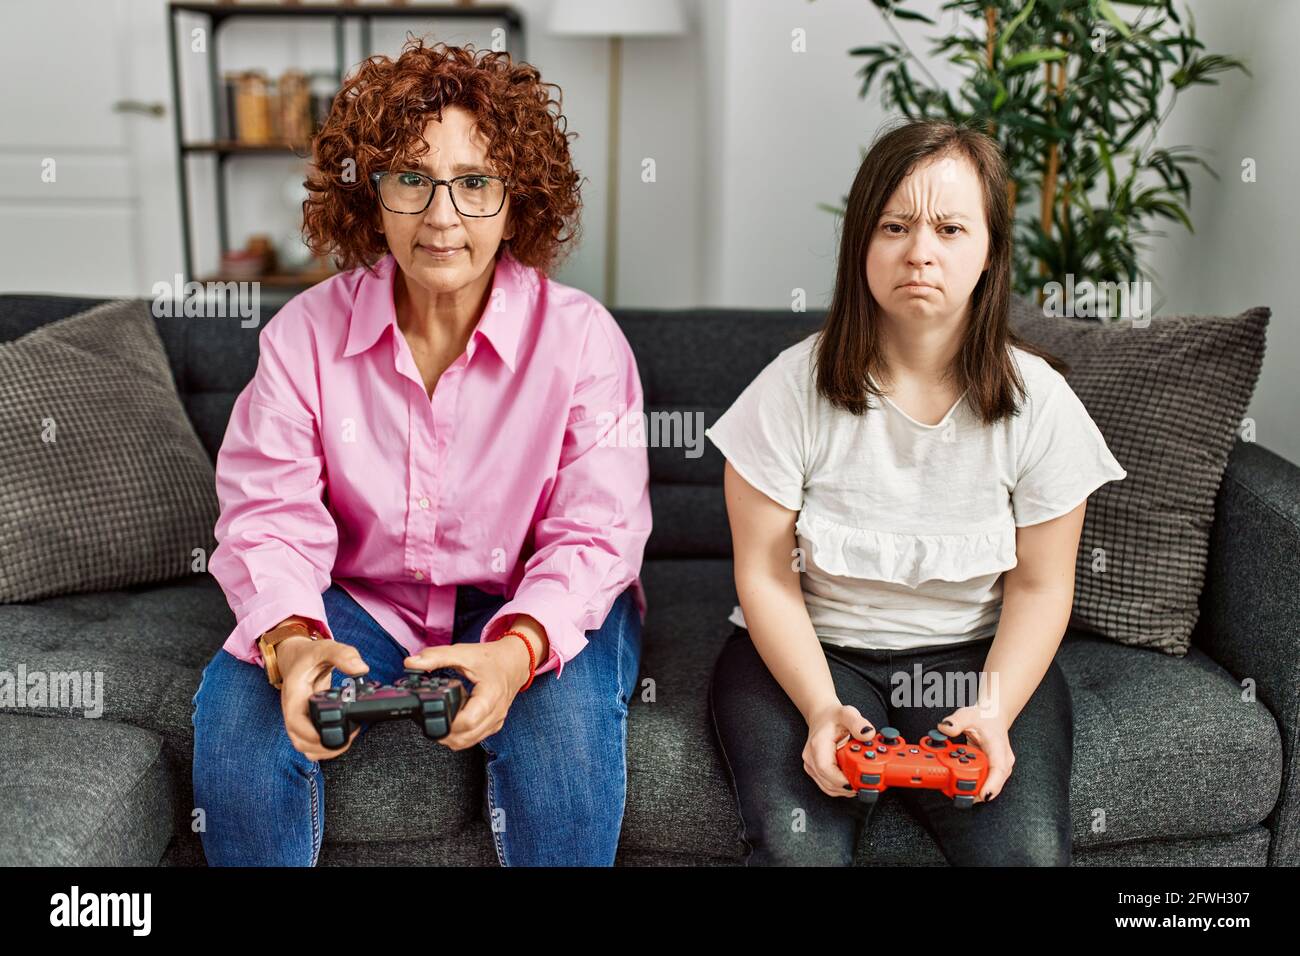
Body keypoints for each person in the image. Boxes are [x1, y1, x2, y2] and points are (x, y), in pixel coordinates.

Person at [192, 39, 652, 867]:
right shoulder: (302, 337)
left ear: (519, 202)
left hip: (533, 602)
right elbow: (269, 517)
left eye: (475, 183)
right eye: (411, 178)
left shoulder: (584, 342)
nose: (442, 218)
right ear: (371, 198)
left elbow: (596, 536)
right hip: (362, 600)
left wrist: (515, 655)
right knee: (237, 721)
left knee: (562, 747)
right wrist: (294, 640)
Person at [704, 118, 1127, 866]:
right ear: (860, 242)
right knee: (800, 854)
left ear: (990, 250)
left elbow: (1040, 586)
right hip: (816, 653)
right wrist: (820, 707)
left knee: (1026, 855)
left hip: (973, 654)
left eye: (951, 228)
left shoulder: (1043, 403)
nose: (920, 252)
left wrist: (994, 711)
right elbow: (765, 574)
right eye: (894, 225)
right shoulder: (787, 390)